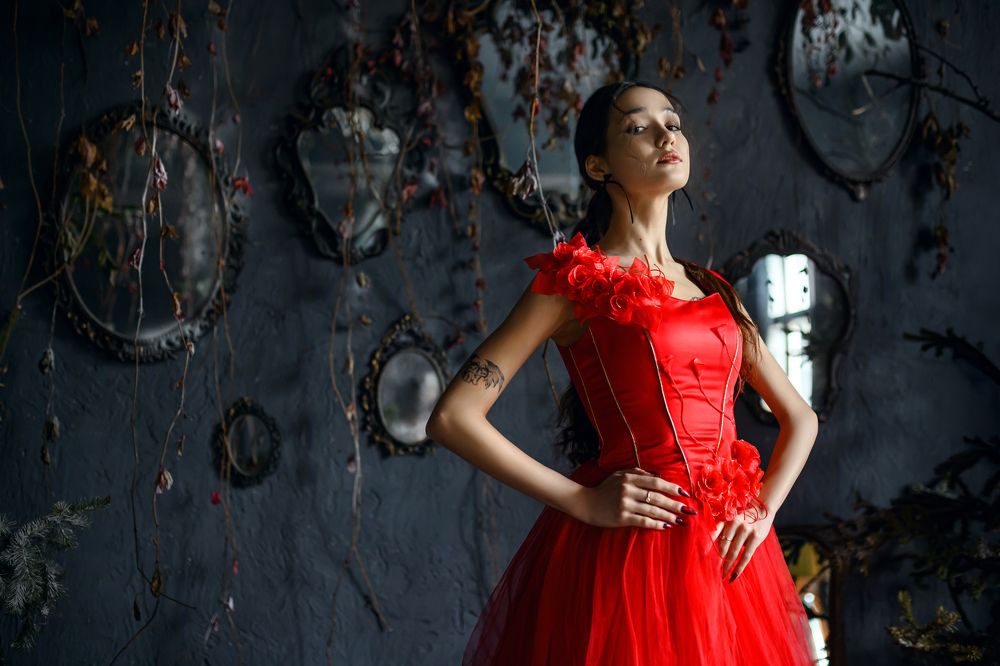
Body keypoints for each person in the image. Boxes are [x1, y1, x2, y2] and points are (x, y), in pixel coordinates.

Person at [426, 80, 818, 665]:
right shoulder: (572, 282)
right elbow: (454, 417)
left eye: (673, 122)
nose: (667, 135)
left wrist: (762, 511)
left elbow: (801, 418)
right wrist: (580, 502)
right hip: (634, 557)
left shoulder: (712, 290)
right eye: (639, 127)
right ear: (597, 164)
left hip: (731, 560)